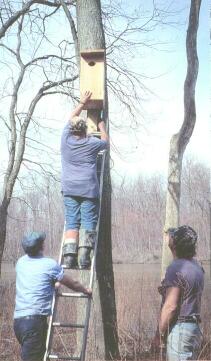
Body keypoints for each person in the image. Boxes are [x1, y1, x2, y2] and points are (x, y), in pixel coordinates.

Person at [14, 231, 92, 361]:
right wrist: (86, 290)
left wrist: (51, 286)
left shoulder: (20, 263)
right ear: (41, 246)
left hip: (18, 322)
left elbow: (33, 282)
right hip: (34, 323)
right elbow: (72, 283)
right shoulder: (49, 265)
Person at [61, 91, 109, 269]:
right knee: (88, 222)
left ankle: (68, 258)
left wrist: (82, 103)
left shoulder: (65, 140)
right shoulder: (92, 143)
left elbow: (71, 117)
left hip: (70, 189)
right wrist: (102, 126)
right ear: (85, 130)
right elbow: (105, 141)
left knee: (72, 221)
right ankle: (84, 258)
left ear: (72, 130)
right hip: (88, 190)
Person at [152, 225, 204, 361]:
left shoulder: (176, 268)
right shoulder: (197, 265)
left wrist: (159, 335)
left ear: (175, 244)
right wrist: (166, 290)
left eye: (173, 236)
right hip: (194, 328)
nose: (170, 236)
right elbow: (187, 292)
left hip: (181, 330)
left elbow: (171, 307)